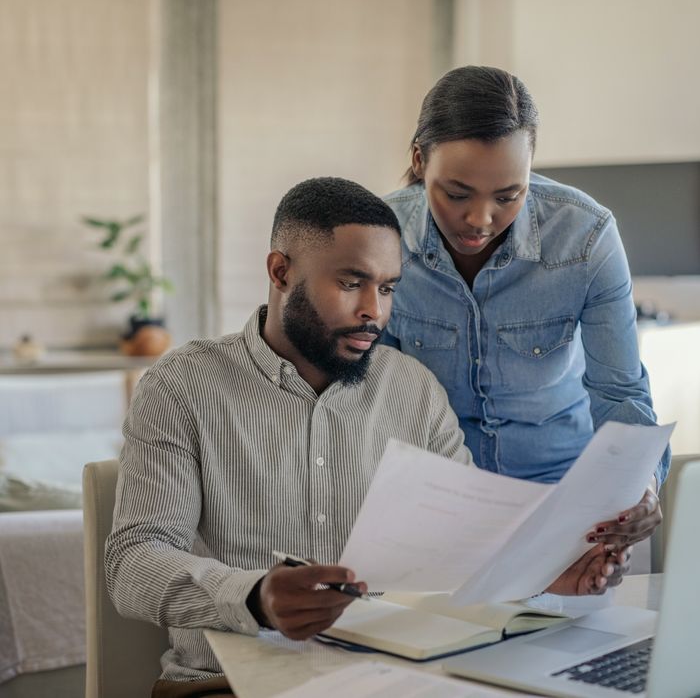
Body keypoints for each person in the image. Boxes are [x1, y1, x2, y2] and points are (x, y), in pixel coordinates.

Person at [106, 177, 630, 697]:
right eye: (351, 282)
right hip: (226, 684)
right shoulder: (181, 386)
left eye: (386, 288)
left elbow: (469, 543)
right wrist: (255, 597)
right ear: (280, 271)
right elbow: (134, 562)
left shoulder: (414, 390)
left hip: (393, 679)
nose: (373, 312)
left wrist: (546, 576)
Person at [381, 65, 667, 550]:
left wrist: (641, 485)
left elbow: (620, 394)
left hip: (563, 496)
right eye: (456, 194)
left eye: (508, 195)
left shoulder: (586, 237)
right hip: (434, 498)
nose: (480, 219)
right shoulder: (379, 236)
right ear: (418, 159)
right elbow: (368, 395)